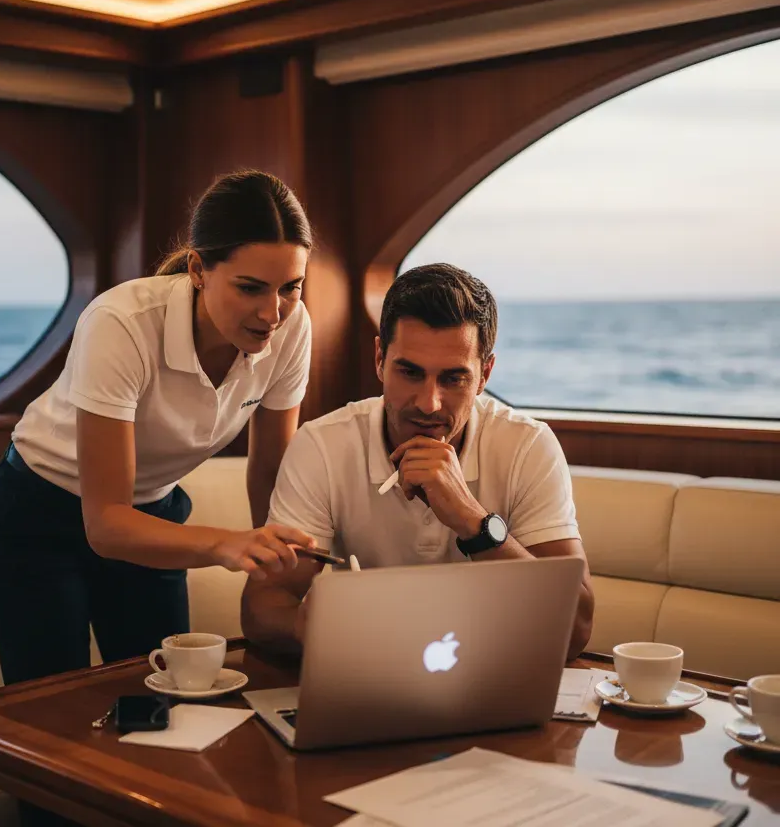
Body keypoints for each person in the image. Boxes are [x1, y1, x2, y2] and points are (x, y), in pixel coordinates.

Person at [0, 170, 319, 694]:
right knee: (51, 711)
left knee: (168, 701)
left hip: (154, 517)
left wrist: (276, 575)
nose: (272, 313)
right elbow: (107, 524)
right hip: (38, 519)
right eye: (250, 288)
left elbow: (270, 469)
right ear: (200, 269)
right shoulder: (122, 322)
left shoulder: (292, 328)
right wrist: (227, 544)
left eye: (290, 288)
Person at [242, 263, 595, 660]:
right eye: (409, 372)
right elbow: (262, 605)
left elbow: (576, 627)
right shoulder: (323, 446)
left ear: (485, 375)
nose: (429, 403)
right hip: (366, 673)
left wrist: (472, 522)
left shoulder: (528, 446)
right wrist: (303, 626)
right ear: (379, 359)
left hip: (494, 672)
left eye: (453, 378)